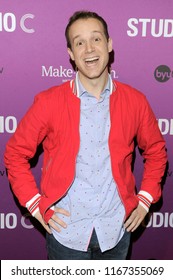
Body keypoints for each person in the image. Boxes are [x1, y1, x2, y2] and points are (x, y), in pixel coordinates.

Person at [4, 10, 167, 260]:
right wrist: (35, 204)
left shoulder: (136, 101)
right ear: (71, 53)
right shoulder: (48, 102)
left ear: (110, 44)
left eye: (96, 39)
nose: (89, 49)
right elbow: (15, 154)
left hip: (116, 231)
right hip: (66, 235)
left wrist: (145, 199)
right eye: (79, 42)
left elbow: (156, 151)